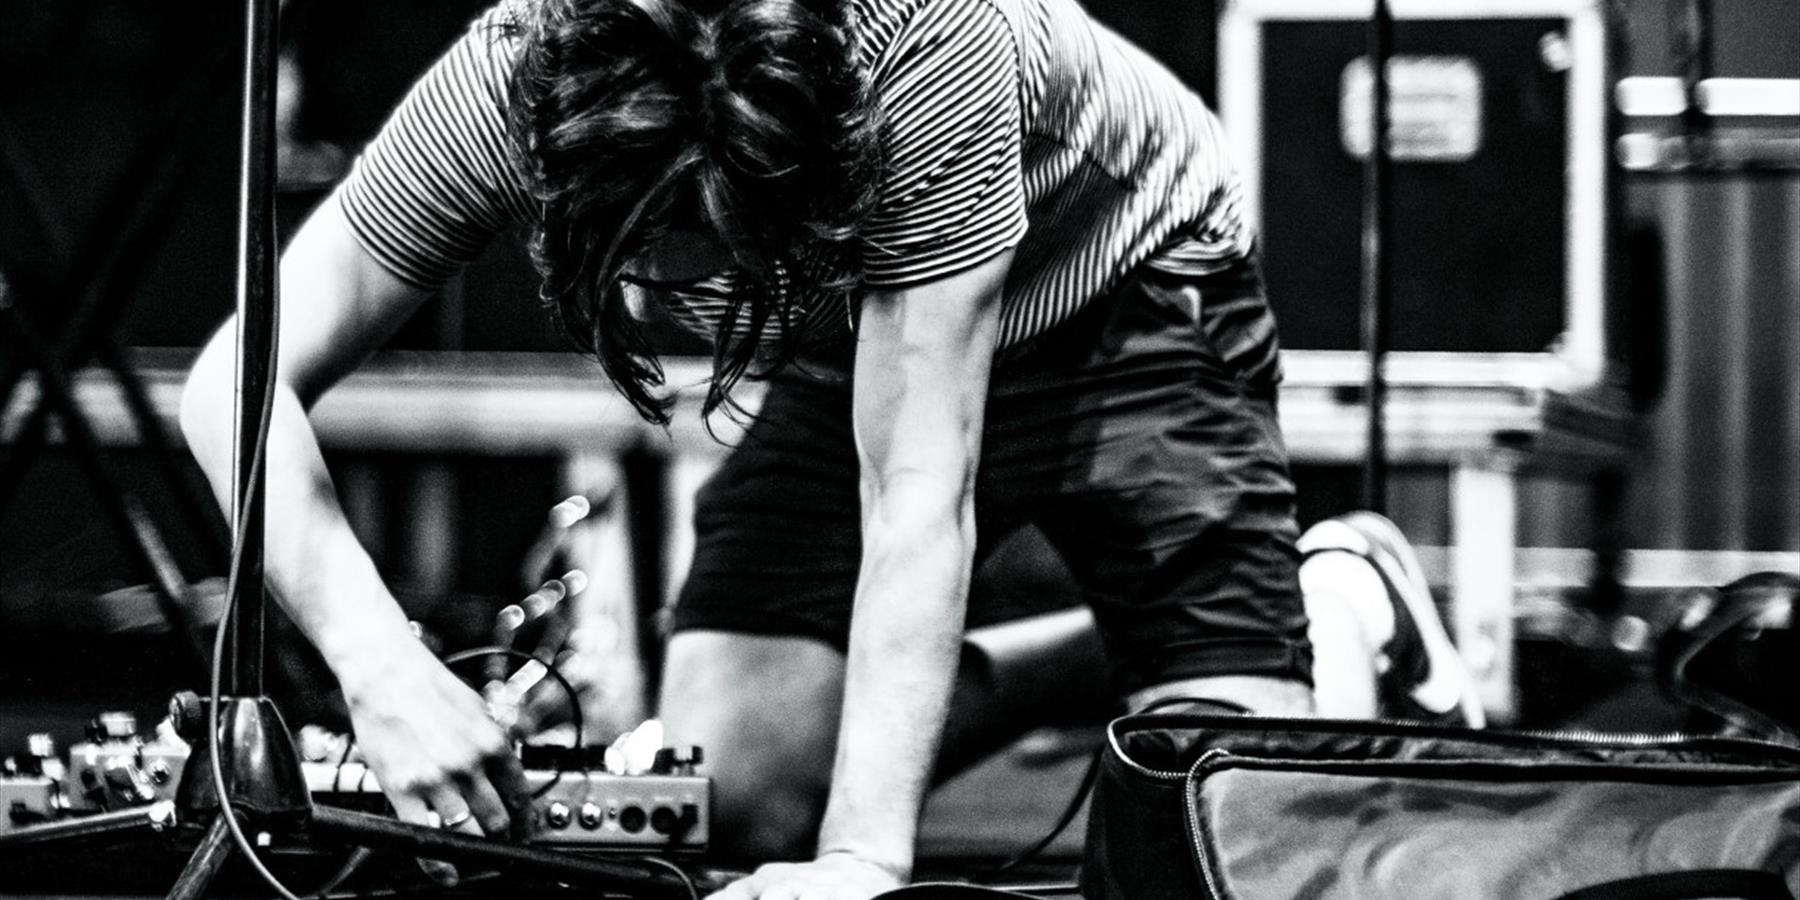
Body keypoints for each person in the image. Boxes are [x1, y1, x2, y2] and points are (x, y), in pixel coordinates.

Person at [178, 0, 1472, 895]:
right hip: (847, 303)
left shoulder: (919, 50)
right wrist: (375, 660)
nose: (673, 296)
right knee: (733, 791)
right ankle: (1085, 656)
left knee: (1226, 811)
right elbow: (234, 378)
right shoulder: (519, 67)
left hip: (1129, 277)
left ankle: (1324, 596)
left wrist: (865, 862)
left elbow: (921, 485)